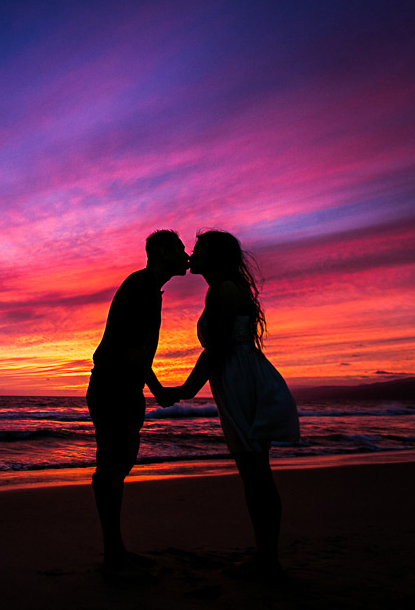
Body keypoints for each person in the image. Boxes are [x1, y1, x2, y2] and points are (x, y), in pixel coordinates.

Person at [169, 229, 299, 578]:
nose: (192, 255)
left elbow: (219, 346)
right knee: (254, 469)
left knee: (255, 469)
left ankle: (267, 559)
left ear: (213, 256)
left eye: (198, 249)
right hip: (236, 374)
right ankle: (265, 555)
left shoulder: (223, 289)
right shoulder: (222, 288)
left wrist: (186, 389)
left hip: (238, 375)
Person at [87, 229, 187, 571]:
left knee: (118, 464)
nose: (186, 255)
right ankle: (114, 556)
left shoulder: (147, 288)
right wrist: (158, 390)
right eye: (180, 249)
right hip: (114, 387)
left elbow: (137, 352)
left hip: (120, 387)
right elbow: (132, 350)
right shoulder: (142, 287)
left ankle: (115, 551)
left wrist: (152, 388)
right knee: (114, 468)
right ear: (162, 252)